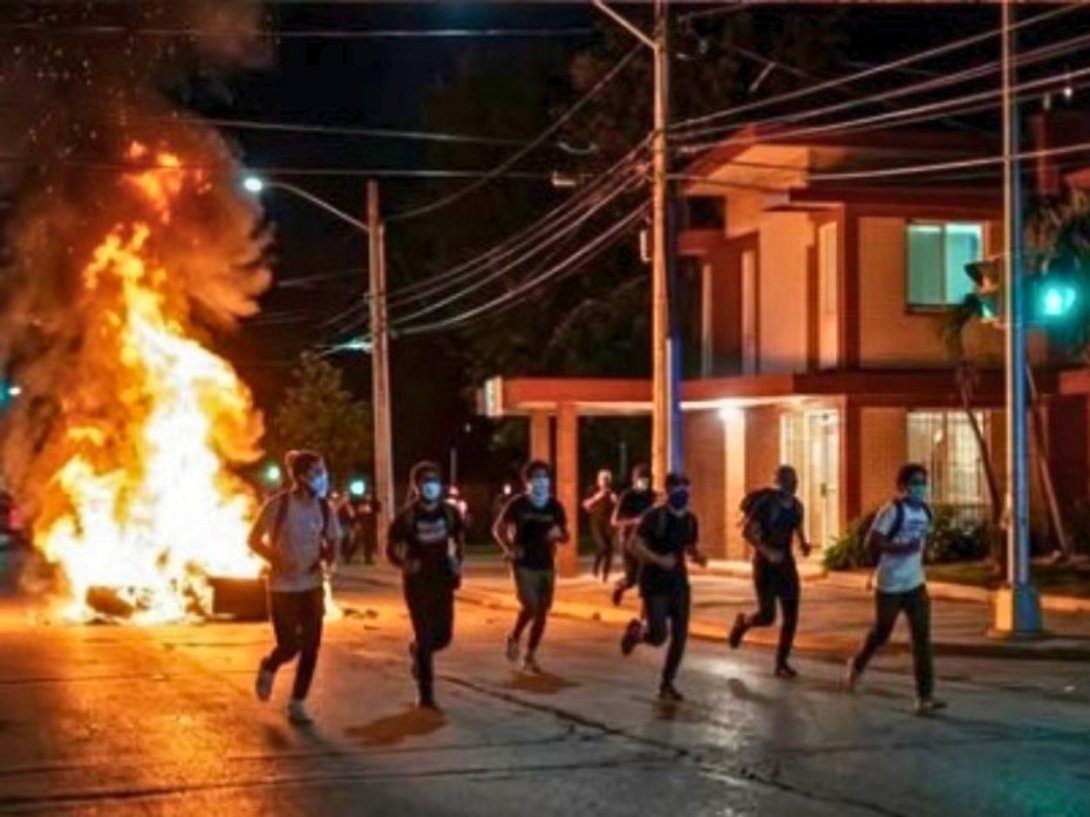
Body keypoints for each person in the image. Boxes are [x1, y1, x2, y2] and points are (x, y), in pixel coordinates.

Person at [845, 464, 946, 716]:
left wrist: (923, 554)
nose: (920, 488)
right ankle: (858, 664)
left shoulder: (926, 512)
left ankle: (925, 697)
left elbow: (922, 541)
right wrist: (899, 548)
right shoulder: (891, 511)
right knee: (882, 633)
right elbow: (872, 541)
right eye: (915, 482)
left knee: (922, 640)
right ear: (902, 486)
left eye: (923, 482)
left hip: (915, 584)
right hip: (889, 585)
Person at [249, 450, 341, 725]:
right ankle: (269, 666)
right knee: (289, 646)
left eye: (322, 471)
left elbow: (334, 539)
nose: (321, 477)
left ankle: (297, 702)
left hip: (311, 587)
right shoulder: (278, 506)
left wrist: (327, 561)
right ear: (300, 477)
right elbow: (253, 539)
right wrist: (275, 559)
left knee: (311, 646)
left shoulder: (324, 508)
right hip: (281, 588)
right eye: (316, 472)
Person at [620, 472, 706, 702]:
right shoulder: (654, 516)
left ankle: (667, 684)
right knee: (658, 636)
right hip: (654, 583)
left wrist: (697, 556)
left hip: (679, 584)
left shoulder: (690, 520)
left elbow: (689, 546)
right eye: (678, 489)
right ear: (667, 492)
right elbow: (632, 545)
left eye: (686, 489)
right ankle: (637, 633)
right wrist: (658, 559)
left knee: (680, 637)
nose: (683, 494)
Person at [387, 461, 465, 710]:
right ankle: (426, 693)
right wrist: (403, 563)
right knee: (425, 635)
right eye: (425, 481)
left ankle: (417, 651)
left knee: (443, 637)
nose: (431, 485)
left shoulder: (450, 513)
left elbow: (459, 540)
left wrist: (457, 563)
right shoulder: (407, 517)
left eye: (434, 480)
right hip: (417, 583)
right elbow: (390, 548)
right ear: (417, 485)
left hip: (442, 581)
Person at [729, 465, 811, 678]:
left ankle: (781, 663)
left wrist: (804, 544)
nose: (793, 484)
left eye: (795, 480)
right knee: (767, 616)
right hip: (765, 565)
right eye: (788, 480)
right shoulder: (767, 504)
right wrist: (767, 552)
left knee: (791, 616)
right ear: (779, 482)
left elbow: (798, 528)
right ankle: (743, 623)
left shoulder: (797, 507)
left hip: (786, 565)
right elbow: (747, 532)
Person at [493, 460, 570, 673]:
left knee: (542, 611)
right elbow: (498, 528)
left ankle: (530, 654)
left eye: (545, 476)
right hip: (523, 563)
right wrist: (510, 547)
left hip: (546, 563)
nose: (541, 481)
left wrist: (559, 535)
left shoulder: (555, 505)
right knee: (530, 605)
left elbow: (566, 535)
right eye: (536, 476)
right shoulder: (518, 504)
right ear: (527, 481)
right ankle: (514, 636)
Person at [611, 464, 657, 606]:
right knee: (631, 579)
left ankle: (647, 607)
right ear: (634, 480)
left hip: (645, 541)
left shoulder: (652, 495)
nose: (644, 483)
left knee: (646, 574)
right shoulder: (627, 495)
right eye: (641, 480)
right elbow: (614, 520)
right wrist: (634, 521)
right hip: (628, 540)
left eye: (647, 480)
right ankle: (620, 586)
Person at [582, 469, 617, 583]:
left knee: (609, 550)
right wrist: (596, 497)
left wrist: (615, 501)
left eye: (606, 479)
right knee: (602, 547)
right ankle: (596, 567)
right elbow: (585, 505)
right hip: (596, 523)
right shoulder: (592, 490)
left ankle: (605, 574)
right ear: (598, 480)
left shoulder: (612, 493)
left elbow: (619, 508)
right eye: (602, 479)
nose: (604, 481)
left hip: (609, 524)